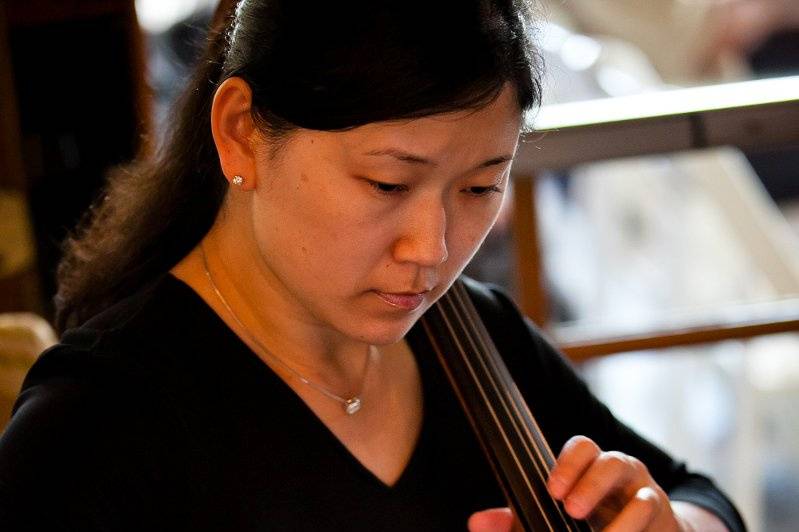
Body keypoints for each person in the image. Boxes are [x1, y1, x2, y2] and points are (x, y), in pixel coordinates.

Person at [0, 1, 745, 530]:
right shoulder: (92, 430)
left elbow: (701, 494)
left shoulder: (477, 331)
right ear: (239, 134)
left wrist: (668, 521)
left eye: (480, 186)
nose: (433, 249)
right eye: (387, 184)